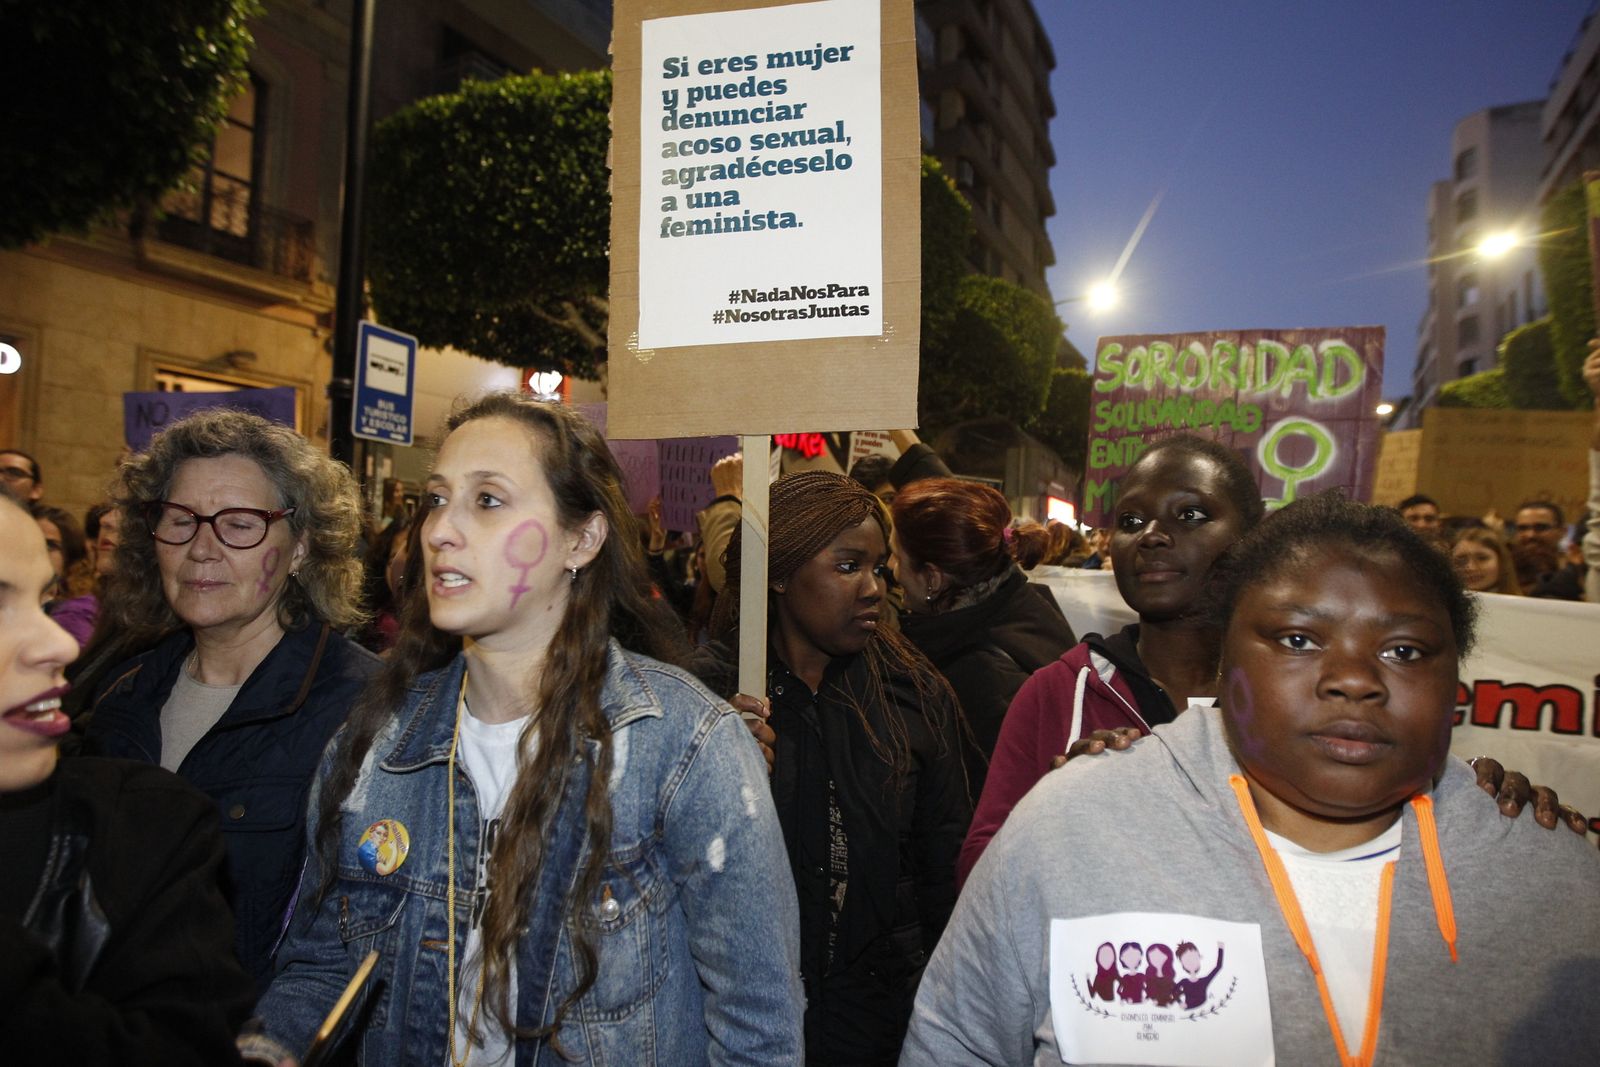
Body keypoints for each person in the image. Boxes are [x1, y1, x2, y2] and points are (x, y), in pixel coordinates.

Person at [903, 493, 1600, 1065]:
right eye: (1298, 639)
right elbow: (956, 1045)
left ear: (1455, 677)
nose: (1355, 678)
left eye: (1403, 649)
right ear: (1223, 653)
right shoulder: (1070, 827)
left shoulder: (1557, 880)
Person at [243, 393, 801, 1067]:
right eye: (437, 499)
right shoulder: (377, 745)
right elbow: (322, 960)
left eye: (487, 501)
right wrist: (271, 1043)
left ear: (581, 538)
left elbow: (757, 1029)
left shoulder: (685, 746)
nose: (441, 529)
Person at [80, 409, 378, 988]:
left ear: (301, 548)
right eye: (180, 520)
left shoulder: (363, 709)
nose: (201, 549)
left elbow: (352, 948)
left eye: (240, 524)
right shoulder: (121, 694)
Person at [710, 470, 969, 1065]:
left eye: (879, 567)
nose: (875, 587)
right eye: (848, 566)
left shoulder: (914, 695)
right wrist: (717, 771)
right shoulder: (708, 701)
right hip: (741, 1020)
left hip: (882, 1023)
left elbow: (946, 868)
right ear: (777, 573)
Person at [0, 491, 256, 1065]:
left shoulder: (143, 826)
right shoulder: (127, 683)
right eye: (179, 521)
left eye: (46, 599)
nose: (59, 643)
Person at [959, 433, 1265, 883]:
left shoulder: (1291, 696)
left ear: (1253, 538)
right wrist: (1060, 809)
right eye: (1132, 519)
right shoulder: (1056, 692)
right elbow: (978, 875)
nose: (1152, 536)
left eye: (1191, 514)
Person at [890, 478, 1076, 797]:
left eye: (896, 557)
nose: (891, 570)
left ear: (933, 579)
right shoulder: (1023, 608)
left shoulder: (980, 677)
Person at [1512, 500, 1583, 600]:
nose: (1530, 535)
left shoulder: (1577, 573)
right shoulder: (1504, 571)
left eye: (1541, 527)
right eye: (1523, 528)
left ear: (1563, 531)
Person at [1449, 526, 1522, 595]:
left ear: (1501, 561)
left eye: (1482, 558)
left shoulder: (1524, 606)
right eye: (1461, 560)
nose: (1471, 567)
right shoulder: (1441, 606)